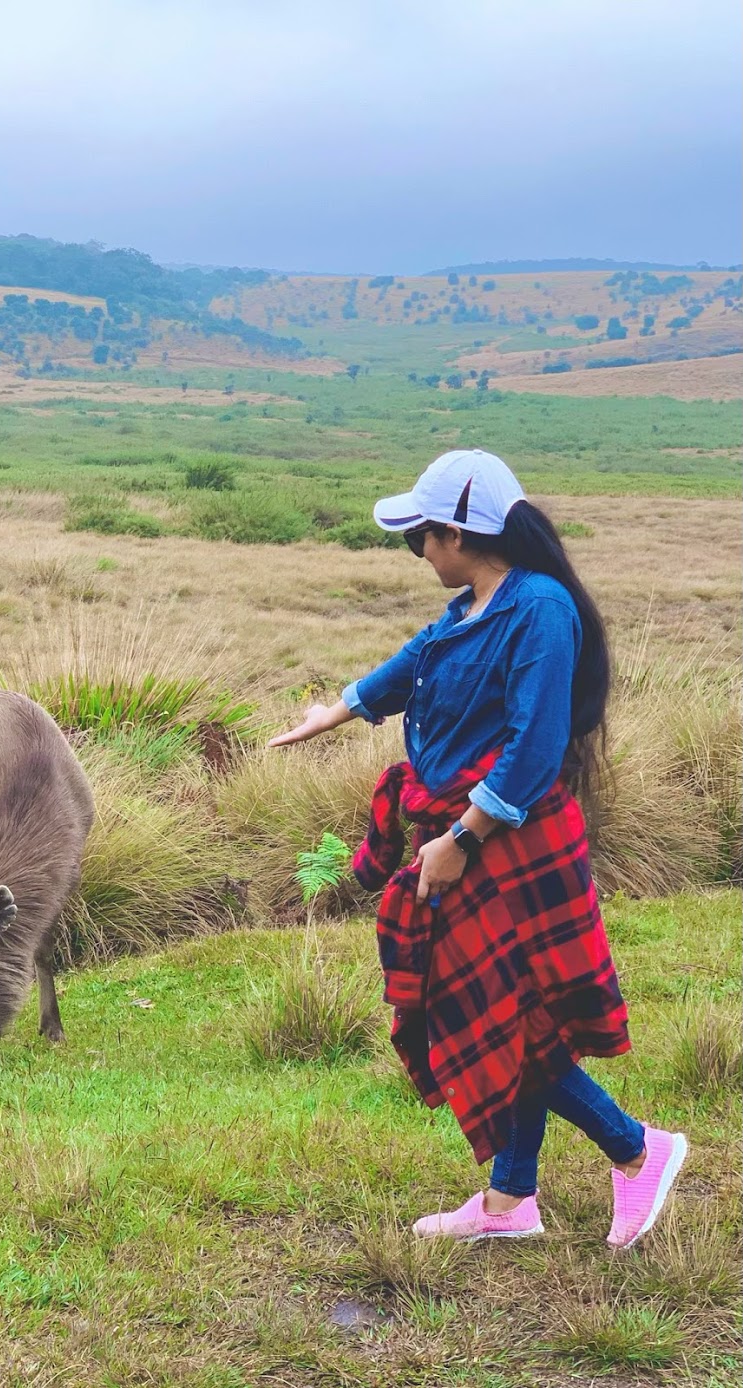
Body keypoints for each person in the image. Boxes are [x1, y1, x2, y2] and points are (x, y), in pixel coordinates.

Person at [270, 448, 686, 1247]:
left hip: (507, 841)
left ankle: (637, 1151)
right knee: (501, 1010)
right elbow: (412, 663)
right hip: (474, 838)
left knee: (516, 1020)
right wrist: (339, 710)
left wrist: (461, 837)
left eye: (419, 537)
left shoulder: (539, 609)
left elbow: (536, 745)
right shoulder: (473, 604)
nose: (418, 552)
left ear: (457, 532)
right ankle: (508, 1203)